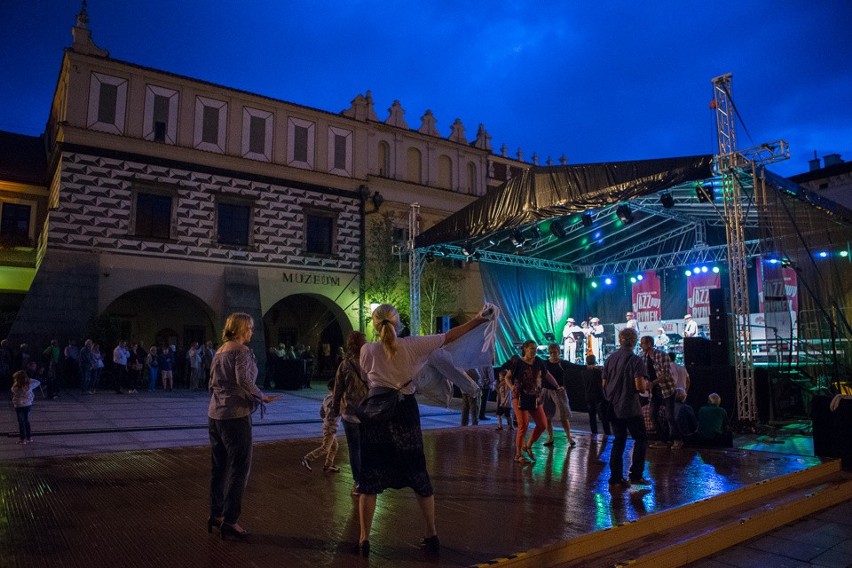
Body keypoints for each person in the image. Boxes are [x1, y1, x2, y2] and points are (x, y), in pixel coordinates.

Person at [356, 303, 490, 557]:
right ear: (398, 323)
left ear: (375, 324)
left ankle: (364, 539)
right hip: (404, 413)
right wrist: (479, 319)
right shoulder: (413, 345)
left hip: (376, 414)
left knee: (369, 479)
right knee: (417, 473)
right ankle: (432, 534)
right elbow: (450, 336)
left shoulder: (367, 350)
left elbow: (367, 378)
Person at [207, 312, 281, 540]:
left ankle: (216, 514)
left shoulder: (220, 350)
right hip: (235, 416)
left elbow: (211, 382)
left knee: (220, 467)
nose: (252, 332)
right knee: (240, 468)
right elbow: (244, 380)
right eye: (249, 328)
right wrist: (261, 396)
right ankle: (231, 520)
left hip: (215, 414)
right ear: (239, 329)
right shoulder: (242, 351)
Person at [602, 328, 649, 487]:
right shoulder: (636, 360)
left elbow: (604, 384)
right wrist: (646, 385)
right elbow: (640, 387)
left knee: (619, 441)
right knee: (641, 439)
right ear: (635, 341)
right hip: (630, 407)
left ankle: (616, 477)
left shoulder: (610, 358)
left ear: (620, 340)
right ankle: (636, 475)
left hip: (614, 406)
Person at [505, 340, 565, 464]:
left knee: (542, 424)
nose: (534, 351)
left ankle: (528, 445)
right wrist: (512, 387)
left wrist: (557, 386)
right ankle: (518, 454)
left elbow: (547, 375)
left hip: (534, 397)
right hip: (520, 397)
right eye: (531, 348)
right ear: (525, 349)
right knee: (523, 425)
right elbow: (507, 377)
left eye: (535, 348)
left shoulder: (538, 361)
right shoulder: (518, 363)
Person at [331, 331, 368, 495]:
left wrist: (335, 407)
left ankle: (358, 482)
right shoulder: (370, 362)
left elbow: (338, 388)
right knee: (367, 447)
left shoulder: (345, 364)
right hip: (368, 411)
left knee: (355, 449)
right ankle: (369, 479)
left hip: (350, 412)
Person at [640, 335, 681, 449]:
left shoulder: (662, 355)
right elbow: (645, 373)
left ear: (649, 344)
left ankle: (677, 440)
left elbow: (666, 374)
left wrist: (652, 383)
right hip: (655, 391)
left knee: (669, 416)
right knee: (653, 414)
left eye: (643, 343)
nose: (641, 345)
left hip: (667, 389)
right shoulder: (643, 357)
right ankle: (662, 440)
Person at [301, 380, 341, 473]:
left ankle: (328, 466)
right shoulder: (335, 400)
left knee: (334, 446)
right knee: (325, 448)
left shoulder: (327, 398)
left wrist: (325, 420)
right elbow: (335, 411)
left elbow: (321, 413)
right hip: (331, 427)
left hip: (328, 425)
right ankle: (307, 458)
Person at [542, 343, 576, 446]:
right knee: (547, 416)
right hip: (546, 391)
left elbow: (576, 367)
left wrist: (590, 367)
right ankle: (550, 437)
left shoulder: (562, 363)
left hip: (558, 391)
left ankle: (569, 437)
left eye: (555, 352)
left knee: (563, 415)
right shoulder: (545, 363)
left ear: (559, 352)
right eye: (551, 352)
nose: (553, 354)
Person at [582, 354, 611, 437]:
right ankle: (607, 434)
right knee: (604, 418)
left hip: (589, 396)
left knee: (592, 418)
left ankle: (594, 433)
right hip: (599, 396)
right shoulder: (598, 371)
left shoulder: (584, 371)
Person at [11, 369, 41, 444]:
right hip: (27, 405)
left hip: (19, 406)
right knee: (27, 421)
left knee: (21, 422)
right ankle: (29, 438)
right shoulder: (29, 386)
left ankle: (22, 439)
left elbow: (12, 390)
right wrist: (29, 379)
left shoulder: (15, 388)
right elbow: (38, 382)